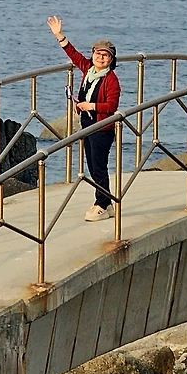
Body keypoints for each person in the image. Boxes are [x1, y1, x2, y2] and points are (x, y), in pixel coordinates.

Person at [47, 15, 121, 221]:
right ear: (93, 55)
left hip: (102, 128)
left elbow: (112, 106)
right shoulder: (88, 70)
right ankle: (106, 202)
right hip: (87, 124)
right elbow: (73, 54)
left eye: (105, 55)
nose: (101, 58)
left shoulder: (111, 80)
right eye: (98, 53)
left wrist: (91, 106)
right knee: (92, 166)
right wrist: (59, 35)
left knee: (99, 167)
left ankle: (102, 204)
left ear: (111, 60)